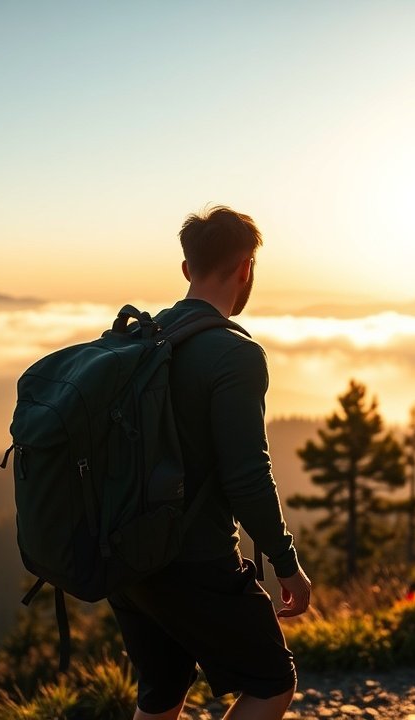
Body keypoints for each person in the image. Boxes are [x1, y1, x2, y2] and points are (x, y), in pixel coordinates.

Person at [107, 206, 313, 720]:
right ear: (246, 268)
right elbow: (247, 477)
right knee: (271, 683)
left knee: (162, 688)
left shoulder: (139, 338)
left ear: (186, 270)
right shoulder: (234, 354)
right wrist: (287, 565)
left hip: (126, 554)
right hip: (194, 558)